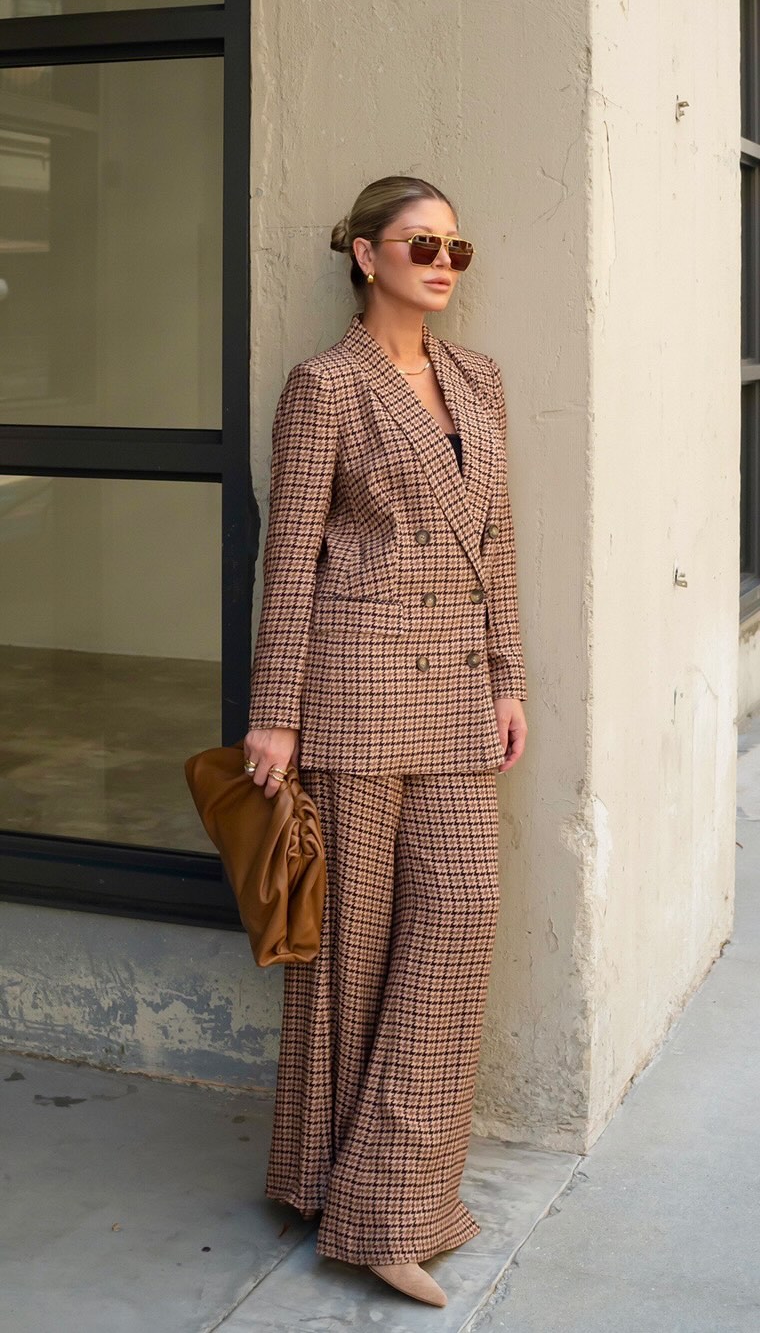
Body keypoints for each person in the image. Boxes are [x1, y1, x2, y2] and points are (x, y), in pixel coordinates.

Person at [243, 174, 528, 1308]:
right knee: (349, 952)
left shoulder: (479, 379)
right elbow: (290, 554)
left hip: (455, 690)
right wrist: (276, 711)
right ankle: (327, 1183)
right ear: (365, 256)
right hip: (353, 688)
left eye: (457, 246)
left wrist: (508, 678)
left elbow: (497, 545)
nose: (443, 263)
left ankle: (387, 1196)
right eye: (421, 244)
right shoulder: (326, 386)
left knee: (462, 911)